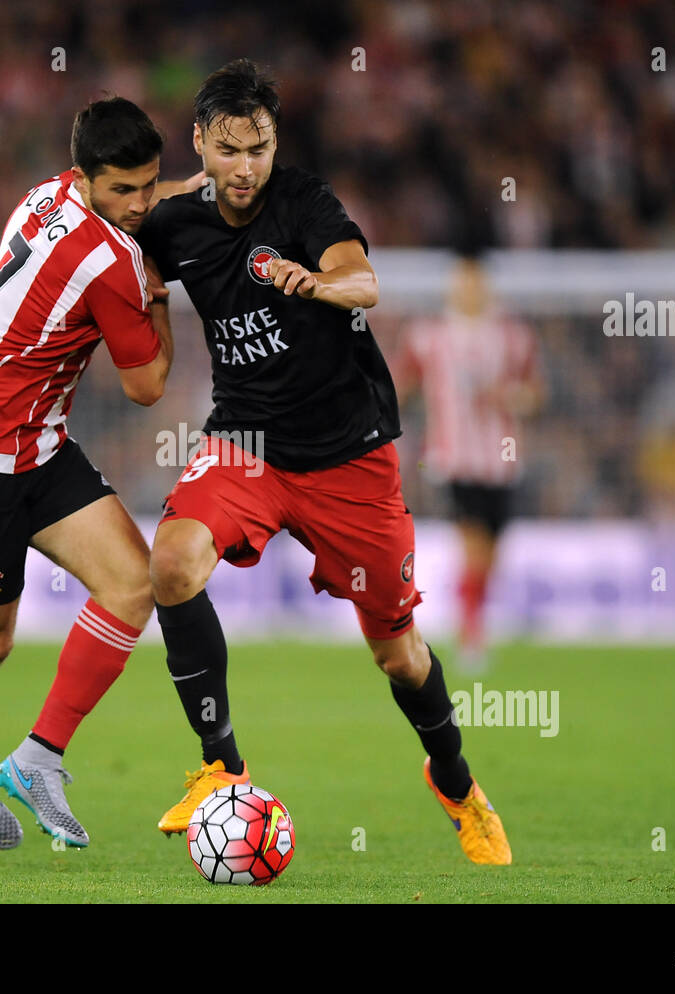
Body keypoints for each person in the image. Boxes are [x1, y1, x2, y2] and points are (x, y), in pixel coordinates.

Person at [137, 60, 511, 864]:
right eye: (229, 150)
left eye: (260, 149)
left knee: (399, 654)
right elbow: (119, 222)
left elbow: (363, 280)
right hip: (247, 444)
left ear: (278, 144)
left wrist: (317, 284)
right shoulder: (175, 224)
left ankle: (456, 785)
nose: (245, 168)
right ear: (200, 144)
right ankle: (221, 768)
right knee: (169, 565)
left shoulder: (304, 202)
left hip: (350, 459)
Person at [0, 96, 196, 850]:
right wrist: (160, 295)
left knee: (136, 583)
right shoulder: (114, 262)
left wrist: (174, 195)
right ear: (86, 178)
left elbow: (125, 208)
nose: (137, 205)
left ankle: (39, 758)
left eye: (149, 186)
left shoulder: (46, 195)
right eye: (123, 190)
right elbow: (146, 386)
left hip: (35, 444)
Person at [400, 254, 542, 670]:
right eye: (461, 282)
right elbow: (400, 381)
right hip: (452, 458)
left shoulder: (514, 335)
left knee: (492, 551)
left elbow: (536, 393)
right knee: (473, 543)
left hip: (502, 459)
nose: (468, 289)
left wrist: (512, 397)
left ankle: (471, 618)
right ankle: (470, 634)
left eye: (475, 282)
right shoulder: (429, 334)